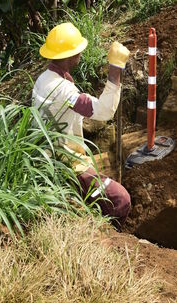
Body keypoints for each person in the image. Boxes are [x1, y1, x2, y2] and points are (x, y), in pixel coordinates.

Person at [32, 21, 131, 227]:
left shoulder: (43, 79)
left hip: (46, 157)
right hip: (65, 165)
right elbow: (104, 112)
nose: (80, 54)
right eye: (77, 51)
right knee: (121, 200)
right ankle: (105, 235)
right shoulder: (63, 90)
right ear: (68, 57)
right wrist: (115, 71)